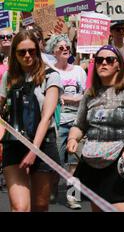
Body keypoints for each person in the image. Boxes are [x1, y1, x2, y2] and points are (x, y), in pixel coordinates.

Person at [67, 45, 124, 212]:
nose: (104, 63)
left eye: (109, 60)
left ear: (119, 65)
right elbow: (79, 125)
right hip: (93, 162)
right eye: (99, 60)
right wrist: (73, 138)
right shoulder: (90, 94)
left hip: (122, 163)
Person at [0, 30, 63, 211]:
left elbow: (47, 117)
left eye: (32, 51)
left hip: (42, 144)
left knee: (40, 206)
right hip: (14, 143)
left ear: (38, 50)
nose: (27, 55)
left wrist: (34, 151)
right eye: (22, 52)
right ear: (15, 54)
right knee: (20, 207)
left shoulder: (51, 75)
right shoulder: (9, 76)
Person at [45, 34, 87, 210]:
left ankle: (72, 196)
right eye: (61, 47)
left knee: (74, 161)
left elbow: (84, 96)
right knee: (55, 160)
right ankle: (52, 188)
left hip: (76, 122)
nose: (65, 49)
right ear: (53, 51)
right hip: (58, 122)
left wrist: (66, 97)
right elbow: (51, 97)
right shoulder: (50, 72)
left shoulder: (79, 70)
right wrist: (71, 98)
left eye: (67, 47)